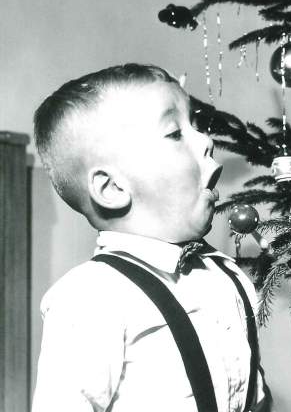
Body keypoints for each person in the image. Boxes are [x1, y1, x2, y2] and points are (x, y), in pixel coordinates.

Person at [31, 63, 271, 412]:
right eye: (175, 132)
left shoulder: (229, 276)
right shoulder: (90, 297)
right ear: (112, 188)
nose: (207, 141)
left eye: (197, 126)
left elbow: (255, 394)